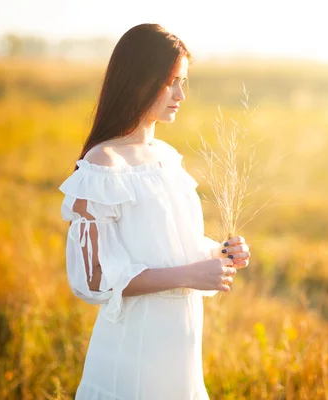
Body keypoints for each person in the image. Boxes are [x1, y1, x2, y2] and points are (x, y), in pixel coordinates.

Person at [58, 23, 251, 399]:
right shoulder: (103, 164)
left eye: (183, 81)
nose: (181, 93)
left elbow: (169, 245)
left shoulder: (166, 158)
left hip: (180, 345)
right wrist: (189, 275)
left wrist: (219, 254)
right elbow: (96, 279)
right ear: (139, 80)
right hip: (135, 346)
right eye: (171, 81)